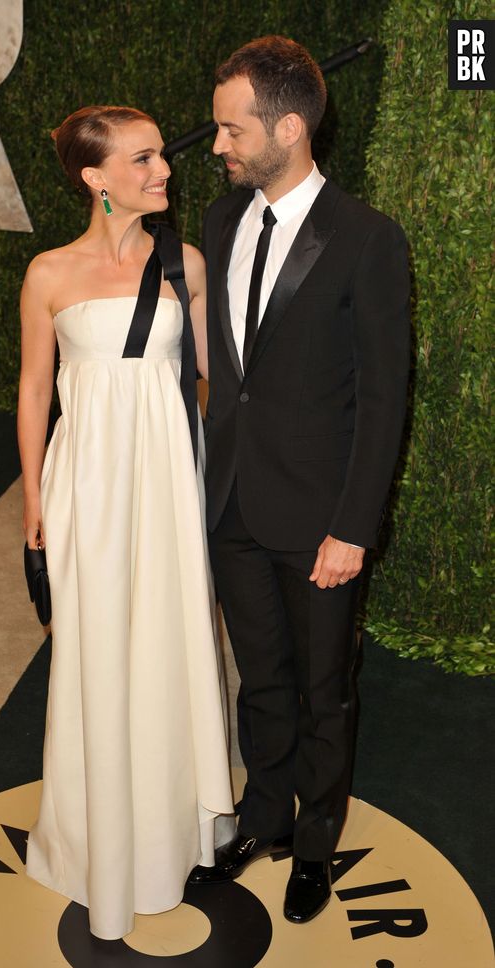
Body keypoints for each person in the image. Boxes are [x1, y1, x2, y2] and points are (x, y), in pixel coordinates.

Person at [189, 37, 410, 925]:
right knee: (263, 679)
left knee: (325, 688)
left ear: (288, 126)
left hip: (321, 517)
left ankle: (315, 843)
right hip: (233, 501)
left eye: (230, 128)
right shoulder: (217, 220)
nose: (216, 146)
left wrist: (354, 526)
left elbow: (385, 398)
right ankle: (264, 816)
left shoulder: (367, 240)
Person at [17, 105, 234, 941]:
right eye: (143, 160)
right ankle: (91, 843)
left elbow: (220, 372)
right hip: (86, 491)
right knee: (95, 650)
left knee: (170, 644)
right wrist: (36, 503)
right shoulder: (48, 274)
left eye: (161, 158)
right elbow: (36, 391)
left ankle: (172, 829)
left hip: (167, 485)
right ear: (94, 178)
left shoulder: (186, 264)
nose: (165, 172)